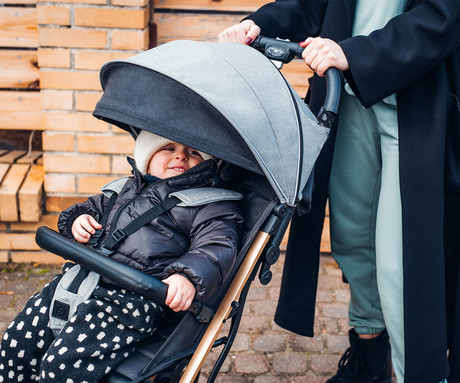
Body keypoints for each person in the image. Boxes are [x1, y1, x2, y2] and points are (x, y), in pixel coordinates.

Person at [219, 1, 460, 382]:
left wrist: (356, 52)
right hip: (346, 99)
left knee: (402, 262)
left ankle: (419, 374)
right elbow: (310, 5)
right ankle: (370, 356)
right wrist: (257, 24)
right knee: (352, 240)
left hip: (415, 111)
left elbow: (442, 16)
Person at [0, 130, 243, 383]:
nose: (180, 156)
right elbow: (90, 208)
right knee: (16, 343)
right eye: (168, 148)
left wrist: (186, 276)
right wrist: (78, 220)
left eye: (193, 152)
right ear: (147, 155)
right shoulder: (124, 189)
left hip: (131, 301)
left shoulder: (211, 205)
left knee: (62, 366)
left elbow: (216, 246)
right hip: (78, 282)